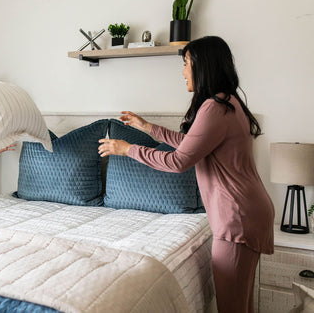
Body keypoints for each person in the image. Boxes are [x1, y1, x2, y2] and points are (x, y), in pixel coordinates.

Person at [97, 36, 274, 313]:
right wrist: (147, 127)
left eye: (186, 64)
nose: (182, 72)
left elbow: (179, 161)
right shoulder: (228, 103)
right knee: (242, 306)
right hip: (247, 211)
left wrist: (128, 149)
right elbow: (191, 143)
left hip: (236, 218)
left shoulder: (215, 108)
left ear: (204, 67)